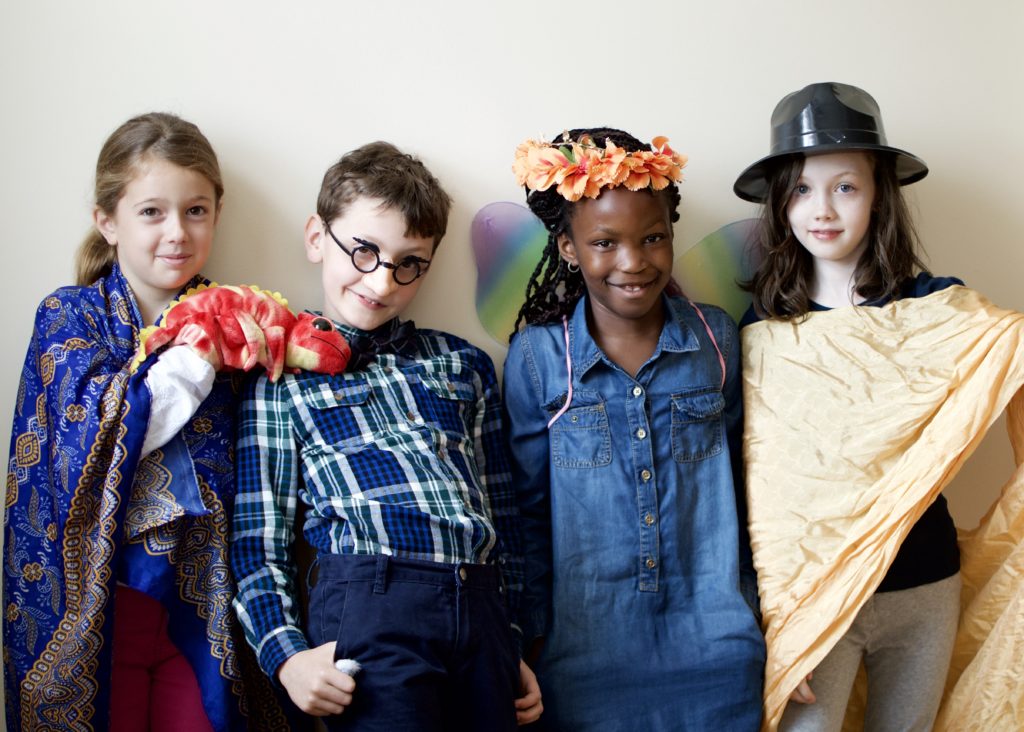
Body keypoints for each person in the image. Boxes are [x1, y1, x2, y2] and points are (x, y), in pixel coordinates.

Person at [230, 141, 543, 731]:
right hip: (372, 601)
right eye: (365, 251)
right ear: (318, 237)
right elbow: (257, 542)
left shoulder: (462, 364)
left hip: (480, 612)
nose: (382, 280)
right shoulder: (277, 376)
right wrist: (287, 656)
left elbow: (507, 517)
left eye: (408, 263)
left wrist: (516, 638)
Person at [3, 113, 288, 731]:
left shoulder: (239, 316)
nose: (177, 233)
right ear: (108, 221)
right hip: (110, 601)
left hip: (206, 597)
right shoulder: (68, 316)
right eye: (152, 212)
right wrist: (196, 354)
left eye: (196, 210)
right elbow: (103, 433)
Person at [503, 128, 766, 731]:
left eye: (653, 238)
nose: (634, 262)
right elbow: (525, 513)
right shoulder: (540, 358)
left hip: (720, 648)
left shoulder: (716, 339)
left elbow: (752, 492)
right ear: (568, 247)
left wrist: (770, 620)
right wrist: (531, 638)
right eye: (605, 242)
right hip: (583, 655)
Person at [735, 82, 965, 731]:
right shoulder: (762, 329)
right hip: (819, 598)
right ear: (780, 203)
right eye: (803, 188)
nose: (823, 208)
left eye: (846, 186)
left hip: (925, 582)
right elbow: (763, 484)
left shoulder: (937, 307)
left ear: (878, 196)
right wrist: (780, 616)